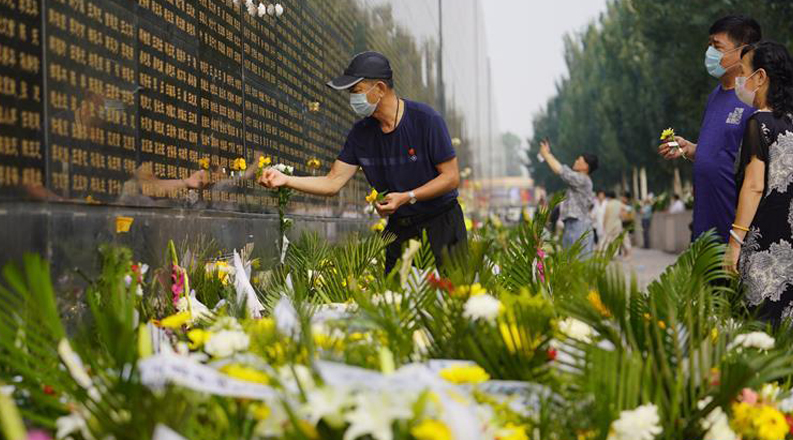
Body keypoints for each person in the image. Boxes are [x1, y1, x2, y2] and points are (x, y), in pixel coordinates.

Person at [258, 51, 465, 275]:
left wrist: (408, 196)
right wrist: (286, 179)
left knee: (453, 299)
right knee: (395, 304)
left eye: (356, 91)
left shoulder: (426, 120)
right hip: (400, 230)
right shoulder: (361, 134)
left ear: (380, 89)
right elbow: (332, 182)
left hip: (442, 225)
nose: (352, 99)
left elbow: (451, 178)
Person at [658, 15, 762, 243]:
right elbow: (723, 153)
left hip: (735, 231)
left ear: (744, 51)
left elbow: (758, 173)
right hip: (705, 227)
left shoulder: (755, 99)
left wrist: (739, 236)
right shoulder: (714, 97)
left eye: (717, 47)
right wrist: (691, 149)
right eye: (709, 46)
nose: (710, 53)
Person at [723, 41, 793, 325]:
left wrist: (735, 242)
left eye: (744, 73)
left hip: (765, 244)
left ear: (761, 77)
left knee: (761, 330)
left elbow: (754, 186)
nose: (741, 80)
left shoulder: (758, 123)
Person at [538, 140, 598, 253]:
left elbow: (561, 171)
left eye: (579, 159)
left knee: (578, 264)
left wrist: (546, 155)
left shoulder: (583, 179)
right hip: (572, 225)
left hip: (579, 226)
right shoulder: (580, 181)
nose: (575, 161)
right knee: (570, 264)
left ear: (586, 166)